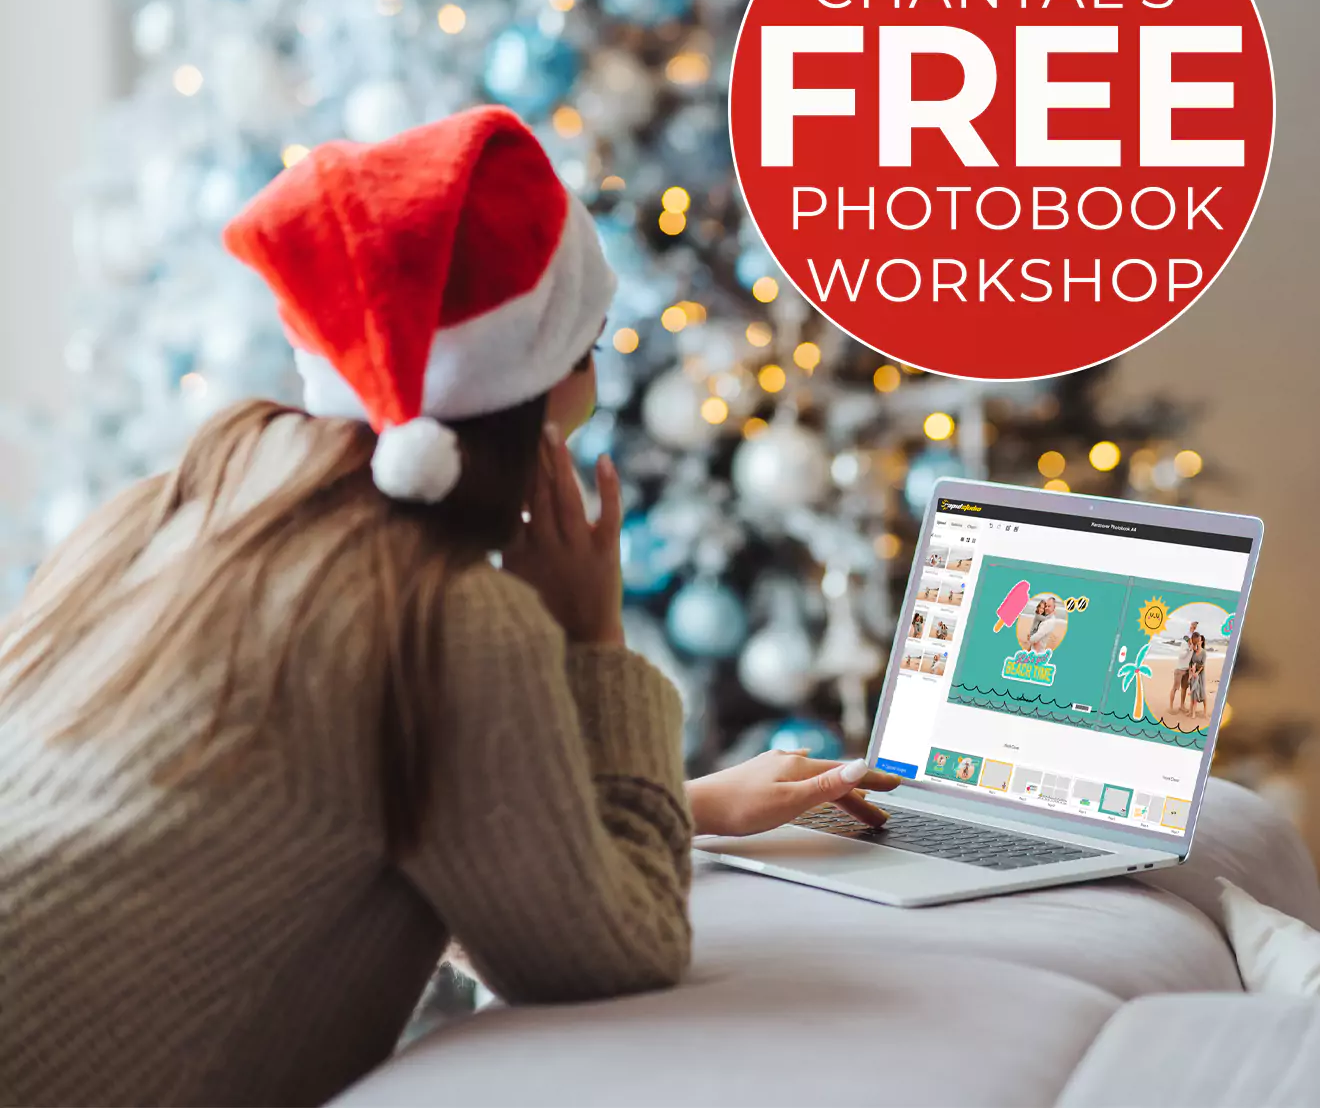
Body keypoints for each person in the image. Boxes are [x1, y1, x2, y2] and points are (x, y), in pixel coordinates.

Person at [0, 108, 897, 1108]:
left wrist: (692, 807)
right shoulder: (439, 619)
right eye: (590, 349)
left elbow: (373, 841)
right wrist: (591, 641)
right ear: (537, 385)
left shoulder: (171, 511)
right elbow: (612, 955)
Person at [1187, 633, 1208, 719]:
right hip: (1193, 673)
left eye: (1199, 640)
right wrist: (1191, 672)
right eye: (1197, 640)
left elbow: (1202, 665)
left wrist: (1197, 672)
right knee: (1194, 692)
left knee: (1202, 692)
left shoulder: (1204, 652)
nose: (1198, 641)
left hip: (1200, 673)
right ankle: (1191, 711)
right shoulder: (1194, 652)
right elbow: (1191, 662)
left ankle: (1205, 712)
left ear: (1202, 641)